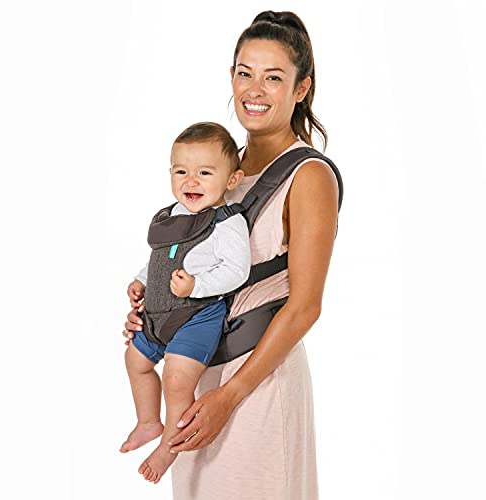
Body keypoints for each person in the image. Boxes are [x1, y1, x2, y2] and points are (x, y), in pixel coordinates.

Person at [123, 10, 340, 499]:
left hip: (257, 386)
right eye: (245, 73)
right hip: (197, 379)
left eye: (273, 77)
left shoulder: (309, 177)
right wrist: (154, 311)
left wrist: (231, 395)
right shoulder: (216, 170)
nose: (254, 90)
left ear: (301, 88)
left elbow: (305, 306)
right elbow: (187, 261)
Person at [121, 122, 251, 484]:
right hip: (159, 312)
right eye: (181, 172)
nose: (191, 181)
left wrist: (197, 286)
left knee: (177, 379)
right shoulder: (173, 215)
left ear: (232, 179)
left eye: (204, 173)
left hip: (198, 315)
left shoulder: (227, 223)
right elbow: (160, 260)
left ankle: (169, 445)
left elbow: (237, 271)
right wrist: (141, 281)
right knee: (135, 360)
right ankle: (148, 421)